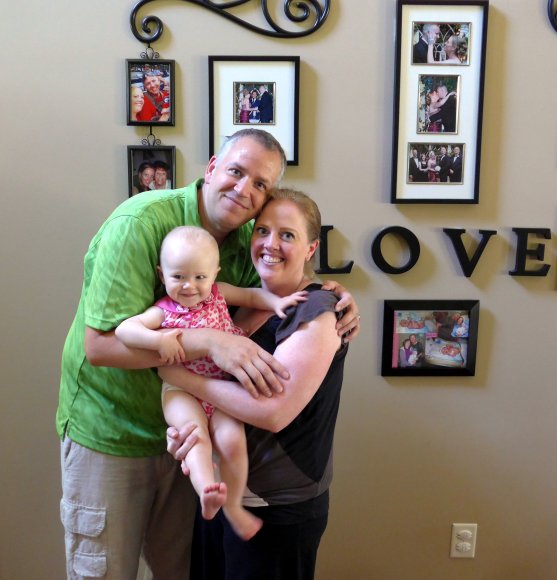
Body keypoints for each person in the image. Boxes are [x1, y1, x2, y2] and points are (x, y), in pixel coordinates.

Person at [57, 128, 361, 579]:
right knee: (104, 572)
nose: (244, 190)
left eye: (260, 184)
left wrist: (327, 292)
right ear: (212, 168)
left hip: (188, 442)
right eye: (236, 171)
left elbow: (266, 294)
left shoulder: (244, 242)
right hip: (113, 434)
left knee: (181, 572)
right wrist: (202, 344)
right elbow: (100, 346)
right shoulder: (140, 224)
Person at [162, 188, 350, 580]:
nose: (270, 243)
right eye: (262, 230)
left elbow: (273, 411)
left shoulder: (317, 311)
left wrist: (179, 377)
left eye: (287, 234)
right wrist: (188, 434)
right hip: (220, 493)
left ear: (311, 247)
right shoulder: (234, 300)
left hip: (278, 507)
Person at [116, 225, 307, 541]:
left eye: (200, 277)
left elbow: (249, 295)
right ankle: (206, 488)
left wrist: (276, 304)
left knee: (233, 441)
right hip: (180, 391)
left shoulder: (219, 293)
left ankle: (232, 507)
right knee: (195, 436)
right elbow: (125, 330)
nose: (190, 286)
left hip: (219, 387)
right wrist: (156, 340)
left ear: (214, 274)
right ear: (162, 275)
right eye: (178, 277)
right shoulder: (163, 310)